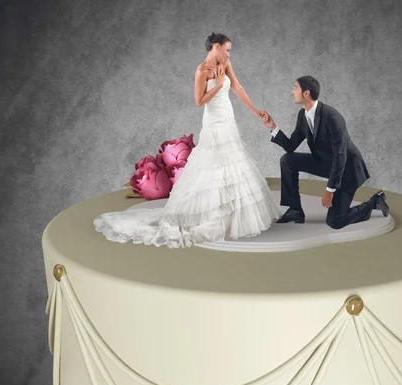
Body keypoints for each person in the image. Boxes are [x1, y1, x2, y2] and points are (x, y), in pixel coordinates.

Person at [94, 33, 281, 248]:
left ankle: (232, 216)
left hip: (228, 118)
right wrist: (219, 85)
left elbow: (238, 88)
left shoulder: (226, 63)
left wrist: (256, 112)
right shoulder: (202, 70)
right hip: (213, 122)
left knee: (232, 164)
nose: (229, 54)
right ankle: (212, 215)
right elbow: (199, 101)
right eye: (227, 49)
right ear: (216, 46)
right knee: (212, 164)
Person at [261, 76, 389, 228]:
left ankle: (374, 202)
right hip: (327, 163)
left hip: (348, 170)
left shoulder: (332, 118)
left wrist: (330, 189)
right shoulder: (303, 116)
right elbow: (290, 146)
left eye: (295, 88)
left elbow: (340, 156)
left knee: (335, 221)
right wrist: (273, 127)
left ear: (306, 93)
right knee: (287, 160)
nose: (292, 92)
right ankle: (295, 210)